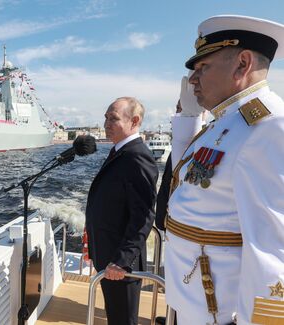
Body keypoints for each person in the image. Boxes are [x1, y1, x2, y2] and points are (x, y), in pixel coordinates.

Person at [166, 15, 284, 325]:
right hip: (196, 304)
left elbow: (274, 251)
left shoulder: (269, 129)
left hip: (221, 315)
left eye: (202, 68)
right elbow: (186, 183)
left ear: (243, 63)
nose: (192, 79)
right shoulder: (229, 122)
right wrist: (188, 119)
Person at [85, 97, 158, 325]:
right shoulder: (121, 151)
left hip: (120, 264)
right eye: (106, 117)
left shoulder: (137, 157)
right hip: (108, 256)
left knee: (123, 320)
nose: (106, 123)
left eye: (113, 118)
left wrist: (122, 260)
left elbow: (143, 215)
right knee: (115, 316)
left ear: (134, 121)